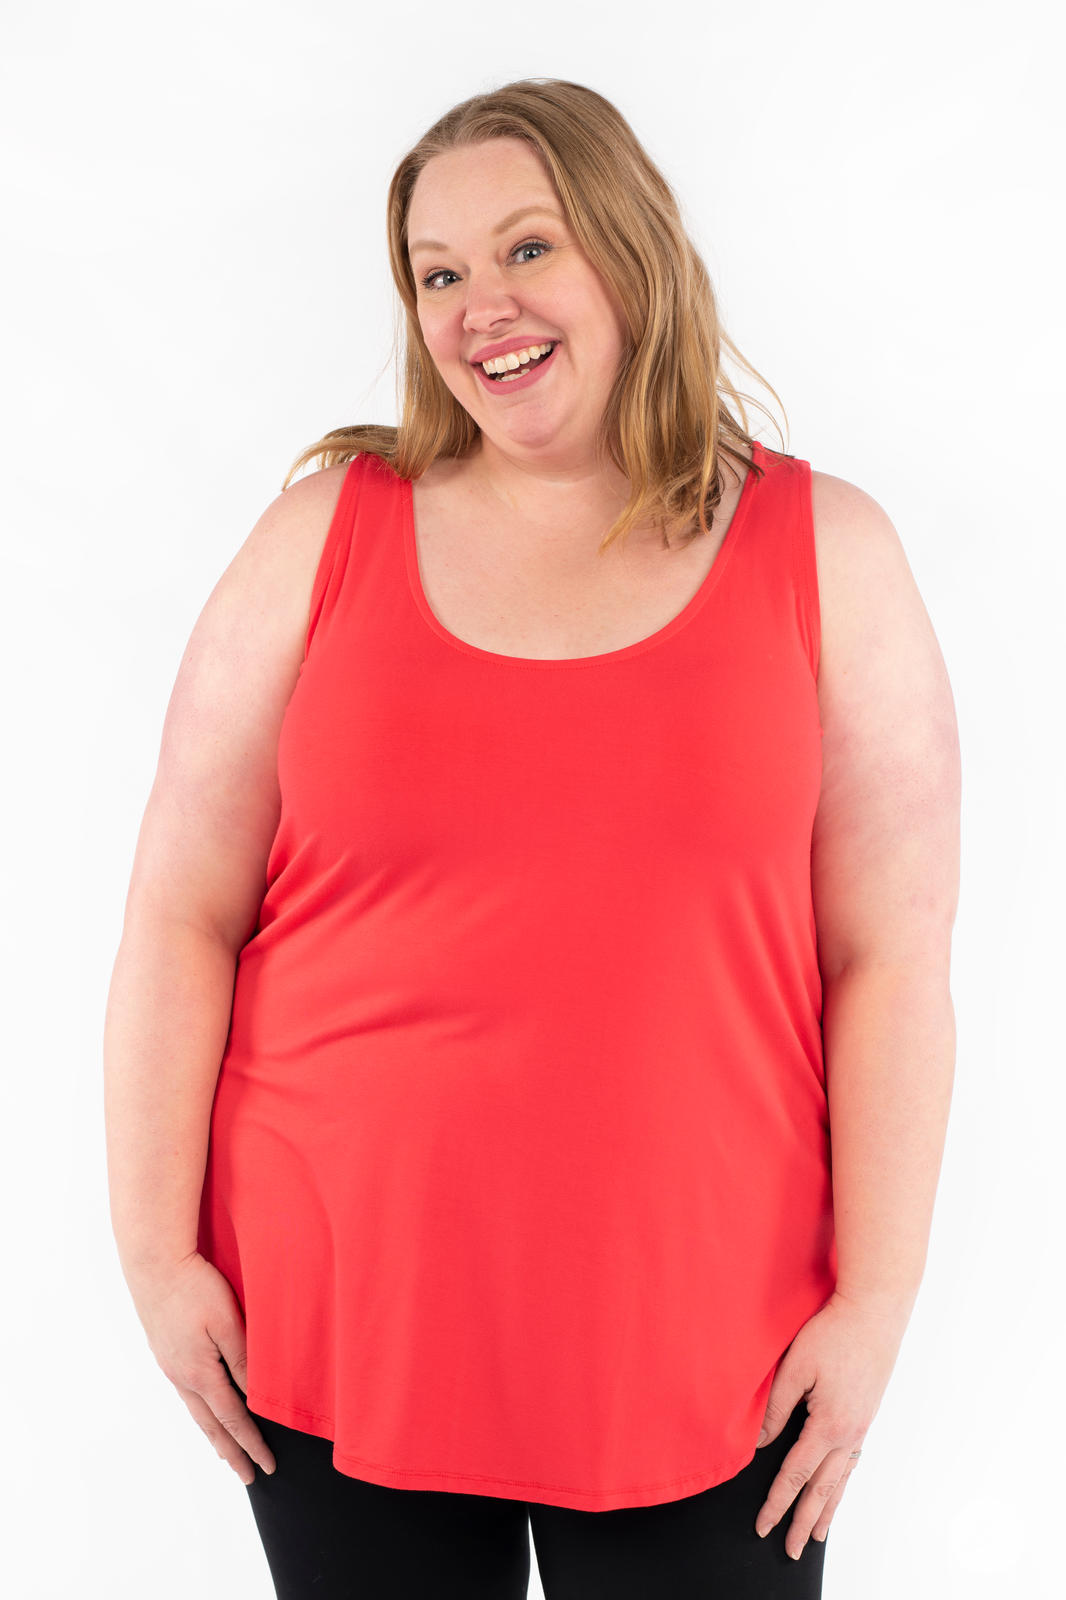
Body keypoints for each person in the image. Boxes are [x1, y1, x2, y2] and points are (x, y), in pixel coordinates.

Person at [103, 77, 960, 1599]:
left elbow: (888, 957)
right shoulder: (322, 534)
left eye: (524, 248)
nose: (477, 306)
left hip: (712, 1343)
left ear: (629, 249)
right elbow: (181, 906)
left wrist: (877, 1302)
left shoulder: (830, 553)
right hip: (339, 1317)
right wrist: (156, 1257)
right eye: (435, 273)